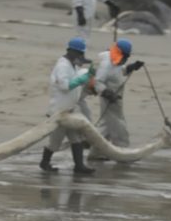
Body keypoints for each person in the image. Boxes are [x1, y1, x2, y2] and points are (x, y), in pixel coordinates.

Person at [40, 38, 96, 175]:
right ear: (71, 52)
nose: (80, 57)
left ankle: (79, 166)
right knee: (55, 142)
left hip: (69, 110)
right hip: (58, 111)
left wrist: (86, 68)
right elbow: (65, 86)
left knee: (75, 138)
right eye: (79, 54)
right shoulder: (62, 66)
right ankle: (44, 162)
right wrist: (83, 79)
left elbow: (77, 72)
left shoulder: (73, 65)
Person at [88, 39, 144, 158]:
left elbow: (120, 72)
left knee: (106, 125)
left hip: (115, 94)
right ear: (121, 53)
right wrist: (108, 94)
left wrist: (132, 67)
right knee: (118, 123)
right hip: (109, 97)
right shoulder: (106, 65)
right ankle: (122, 149)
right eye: (126, 56)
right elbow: (98, 82)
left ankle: (95, 152)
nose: (126, 59)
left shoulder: (116, 58)